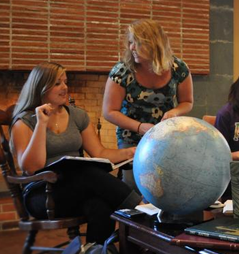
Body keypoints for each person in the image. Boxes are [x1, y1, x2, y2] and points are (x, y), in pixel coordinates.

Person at [10, 62, 142, 244]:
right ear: (40, 88)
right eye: (57, 83)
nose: (64, 87)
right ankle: (140, 209)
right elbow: (32, 168)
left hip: (78, 188)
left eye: (65, 82)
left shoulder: (77, 116)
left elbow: (99, 152)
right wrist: (41, 124)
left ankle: (95, 250)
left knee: (100, 207)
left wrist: (129, 152)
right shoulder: (24, 121)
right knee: (87, 173)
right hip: (43, 194)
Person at [103, 19, 194, 191]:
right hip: (131, 138)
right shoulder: (122, 71)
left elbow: (187, 102)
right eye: (130, 43)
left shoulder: (179, 68)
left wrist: (175, 111)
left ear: (154, 44)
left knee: (166, 183)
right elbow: (109, 111)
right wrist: (139, 127)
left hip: (165, 137)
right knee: (134, 185)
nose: (131, 48)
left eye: (137, 43)